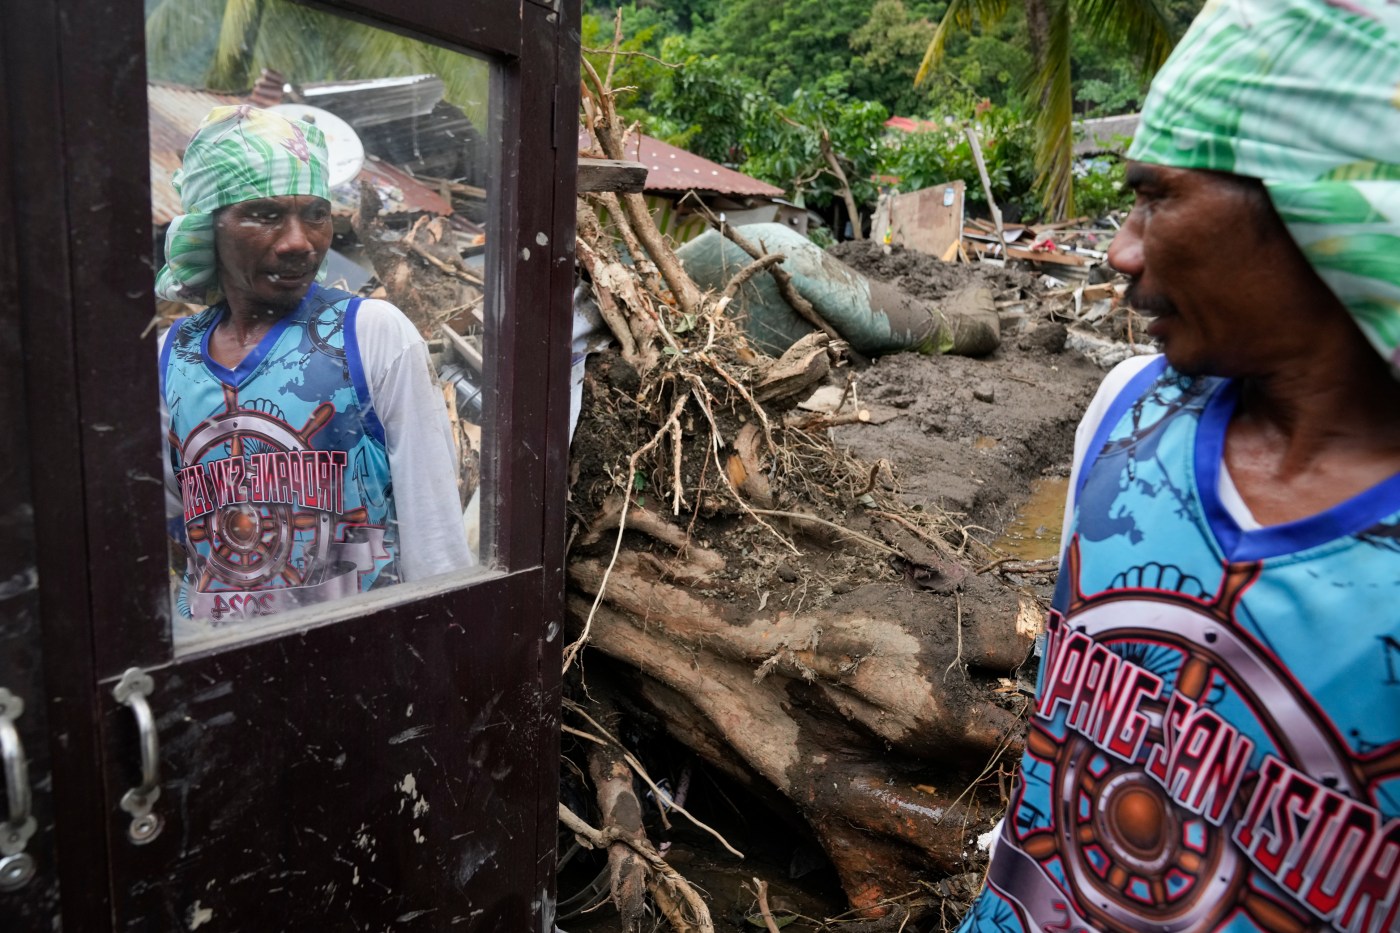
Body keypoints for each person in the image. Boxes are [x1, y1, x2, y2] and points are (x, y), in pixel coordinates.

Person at [959, 2, 1400, 930]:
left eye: (1158, 197)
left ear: (1315, 205)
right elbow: (1057, 749)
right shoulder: (1125, 415)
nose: (1121, 250)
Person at [157, 105, 473, 625]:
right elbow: (173, 527)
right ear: (209, 226)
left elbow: (432, 529)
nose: (299, 241)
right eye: (264, 214)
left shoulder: (368, 335)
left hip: (354, 660)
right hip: (219, 667)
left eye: (316, 213)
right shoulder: (172, 356)